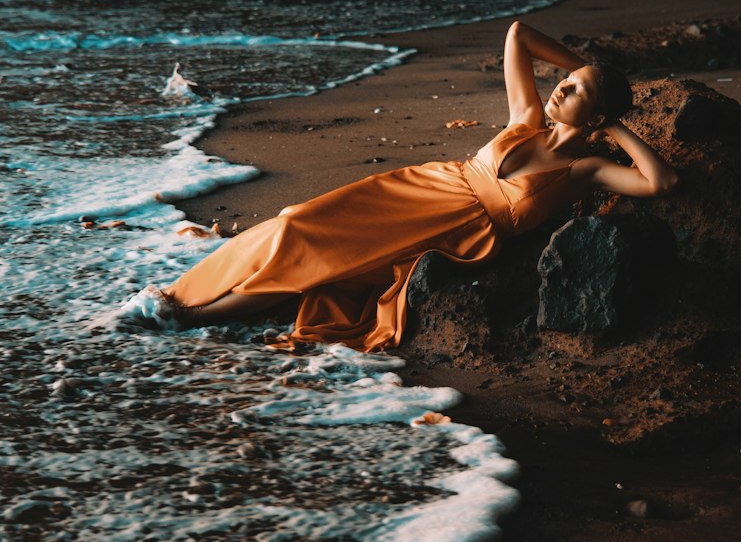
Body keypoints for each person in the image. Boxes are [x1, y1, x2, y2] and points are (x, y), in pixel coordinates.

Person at [129, 20, 677, 349]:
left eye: (575, 91)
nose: (561, 88)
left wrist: (615, 123)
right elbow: (518, 35)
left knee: (319, 268)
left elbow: (661, 181)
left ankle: (186, 317)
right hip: (424, 186)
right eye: (566, 80)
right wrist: (592, 71)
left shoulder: (585, 170)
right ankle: (179, 295)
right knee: (296, 221)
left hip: (456, 231)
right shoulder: (527, 118)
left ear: (597, 115)